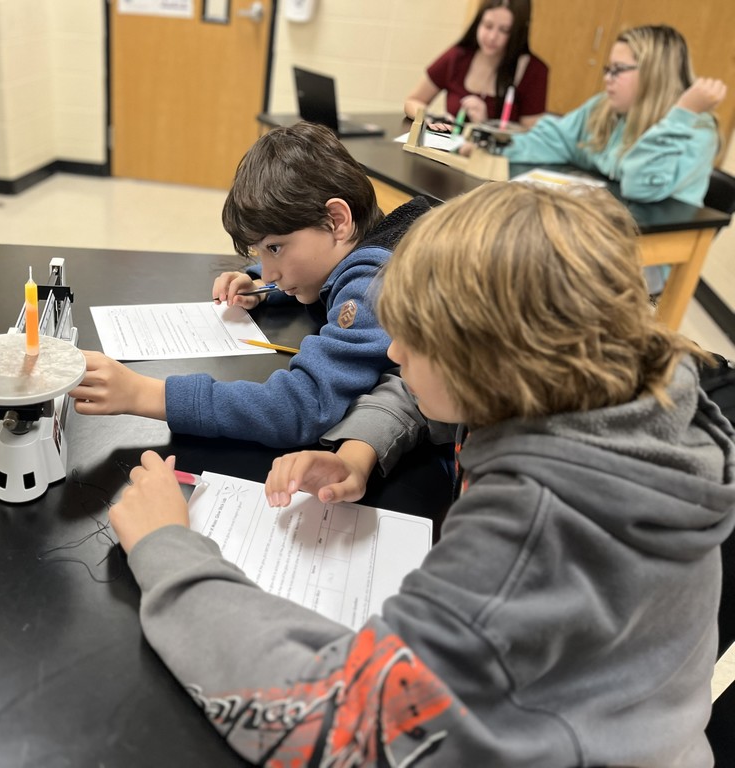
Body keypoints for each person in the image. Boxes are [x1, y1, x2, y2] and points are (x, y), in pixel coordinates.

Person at [108, 182, 735, 765]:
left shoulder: (535, 530)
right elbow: (416, 391)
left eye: (414, 337)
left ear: (489, 358)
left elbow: (331, 721)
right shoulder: (589, 388)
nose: (394, 352)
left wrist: (169, 549)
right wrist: (359, 449)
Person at [70, 121, 431, 449]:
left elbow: (300, 408)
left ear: (336, 220)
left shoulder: (375, 283)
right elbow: (323, 273)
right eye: (261, 252)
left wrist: (145, 394)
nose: (270, 273)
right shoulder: (380, 241)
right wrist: (258, 282)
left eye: (275, 248)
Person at [501, 24, 726, 208]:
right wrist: (496, 147)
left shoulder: (696, 131)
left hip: (655, 242)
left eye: (618, 70)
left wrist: (683, 115)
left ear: (652, 74)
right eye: (607, 69)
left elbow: (640, 187)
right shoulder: (603, 107)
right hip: (601, 223)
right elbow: (555, 140)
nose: (608, 78)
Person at [404, 0, 548, 129]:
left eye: (504, 30)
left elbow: (532, 136)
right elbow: (414, 100)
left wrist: (485, 126)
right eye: (488, 26)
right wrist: (431, 118)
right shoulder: (458, 56)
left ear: (518, 32)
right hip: (447, 147)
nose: (492, 37)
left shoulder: (533, 70)